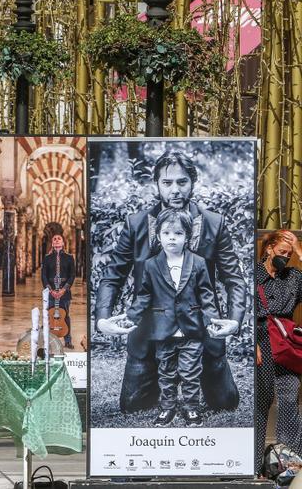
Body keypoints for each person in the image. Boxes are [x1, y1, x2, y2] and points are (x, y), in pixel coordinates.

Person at [95, 150, 244, 412]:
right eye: (167, 183)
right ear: (157, 185)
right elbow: (112, 276)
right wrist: (103, 318)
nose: (175, 190)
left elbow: (234, 278)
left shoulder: (213, 223)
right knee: (133, 406)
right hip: (149, 330)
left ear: (192, 182)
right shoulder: (136, 224)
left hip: (202, 328)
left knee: (225, 403)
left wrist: (234, 319)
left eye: (182, 182)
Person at [107, 210, 218, 426]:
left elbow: (207, 294)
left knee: (190, 372)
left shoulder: (198, 263)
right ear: (158, 236)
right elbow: (143, 295)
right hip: (163, 330)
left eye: (178, 233)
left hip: (192, 330)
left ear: (188, 236)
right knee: (166, 373)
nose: (172, 238)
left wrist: (212, 319)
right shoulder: (151, 264)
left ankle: (191, 409)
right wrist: (132, 317)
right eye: (166, 233)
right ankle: (167, 408)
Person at [254, 230, 302, 459]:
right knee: (261, 402)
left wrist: (300, 251)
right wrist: (252, 345)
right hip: (261, 339)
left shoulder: (293, 276)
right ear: (269, 248)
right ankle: (253, 462)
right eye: (283, 251)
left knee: (290, 399)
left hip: (286, 342)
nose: (286, 256)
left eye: (289, 253)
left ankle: (289, 461)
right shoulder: (253, 275)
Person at [40, 227, 76, 345]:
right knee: (49, 315)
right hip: (51, 292)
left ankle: (68, 340)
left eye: (58, 239)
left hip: (64, 292)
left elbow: (72, 275)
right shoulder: (47, 258)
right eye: (54, 239)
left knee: (65, 315)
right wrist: (50, 290)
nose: (56, 240)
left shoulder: (69, 258)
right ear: (52, 243)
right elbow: (44, 275)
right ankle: (48, 339)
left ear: (63, 242)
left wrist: (64, 289)